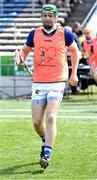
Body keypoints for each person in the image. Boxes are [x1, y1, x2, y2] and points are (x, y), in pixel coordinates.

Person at [16, 4, 79, 169]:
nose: (47, 18)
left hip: (57, 81)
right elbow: (24, 52)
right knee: (37, 122)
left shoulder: (64, 33)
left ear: (56, 17)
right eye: (44, 15)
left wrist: (73, 73)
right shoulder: (34, 33)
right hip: (38, 82)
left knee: (51, 117)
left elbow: (75, 51)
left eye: (50, 16)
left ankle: (47, 154)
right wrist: (20, 59)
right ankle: (45, 140)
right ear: (41, 17)